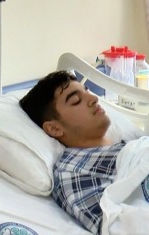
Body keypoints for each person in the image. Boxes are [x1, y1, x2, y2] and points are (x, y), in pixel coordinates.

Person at [20, 70, 122, 233]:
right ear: (54, 128)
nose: (94, 98)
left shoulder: (131, 147)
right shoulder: (73, 172)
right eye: (76, 100)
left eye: (87, 91)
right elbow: (119, 225)